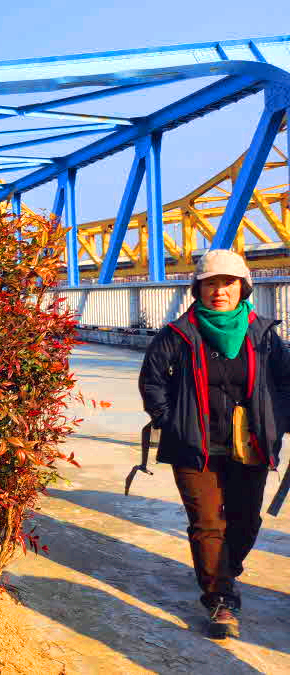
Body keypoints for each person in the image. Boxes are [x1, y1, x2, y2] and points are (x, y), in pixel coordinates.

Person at [139, 249, 290, 639]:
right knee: (207, 524)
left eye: (228, 282)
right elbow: (152, 381)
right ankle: (221, 598)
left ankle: (224, 571)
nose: (219, 291)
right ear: (198, 289)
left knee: (246, 521)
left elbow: (285, 383)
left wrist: (278, 423)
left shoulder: (264, 335)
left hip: (249, 446)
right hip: (194, 447)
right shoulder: (179, 334)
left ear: (243, 288)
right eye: (211, 283)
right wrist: (171, 421)